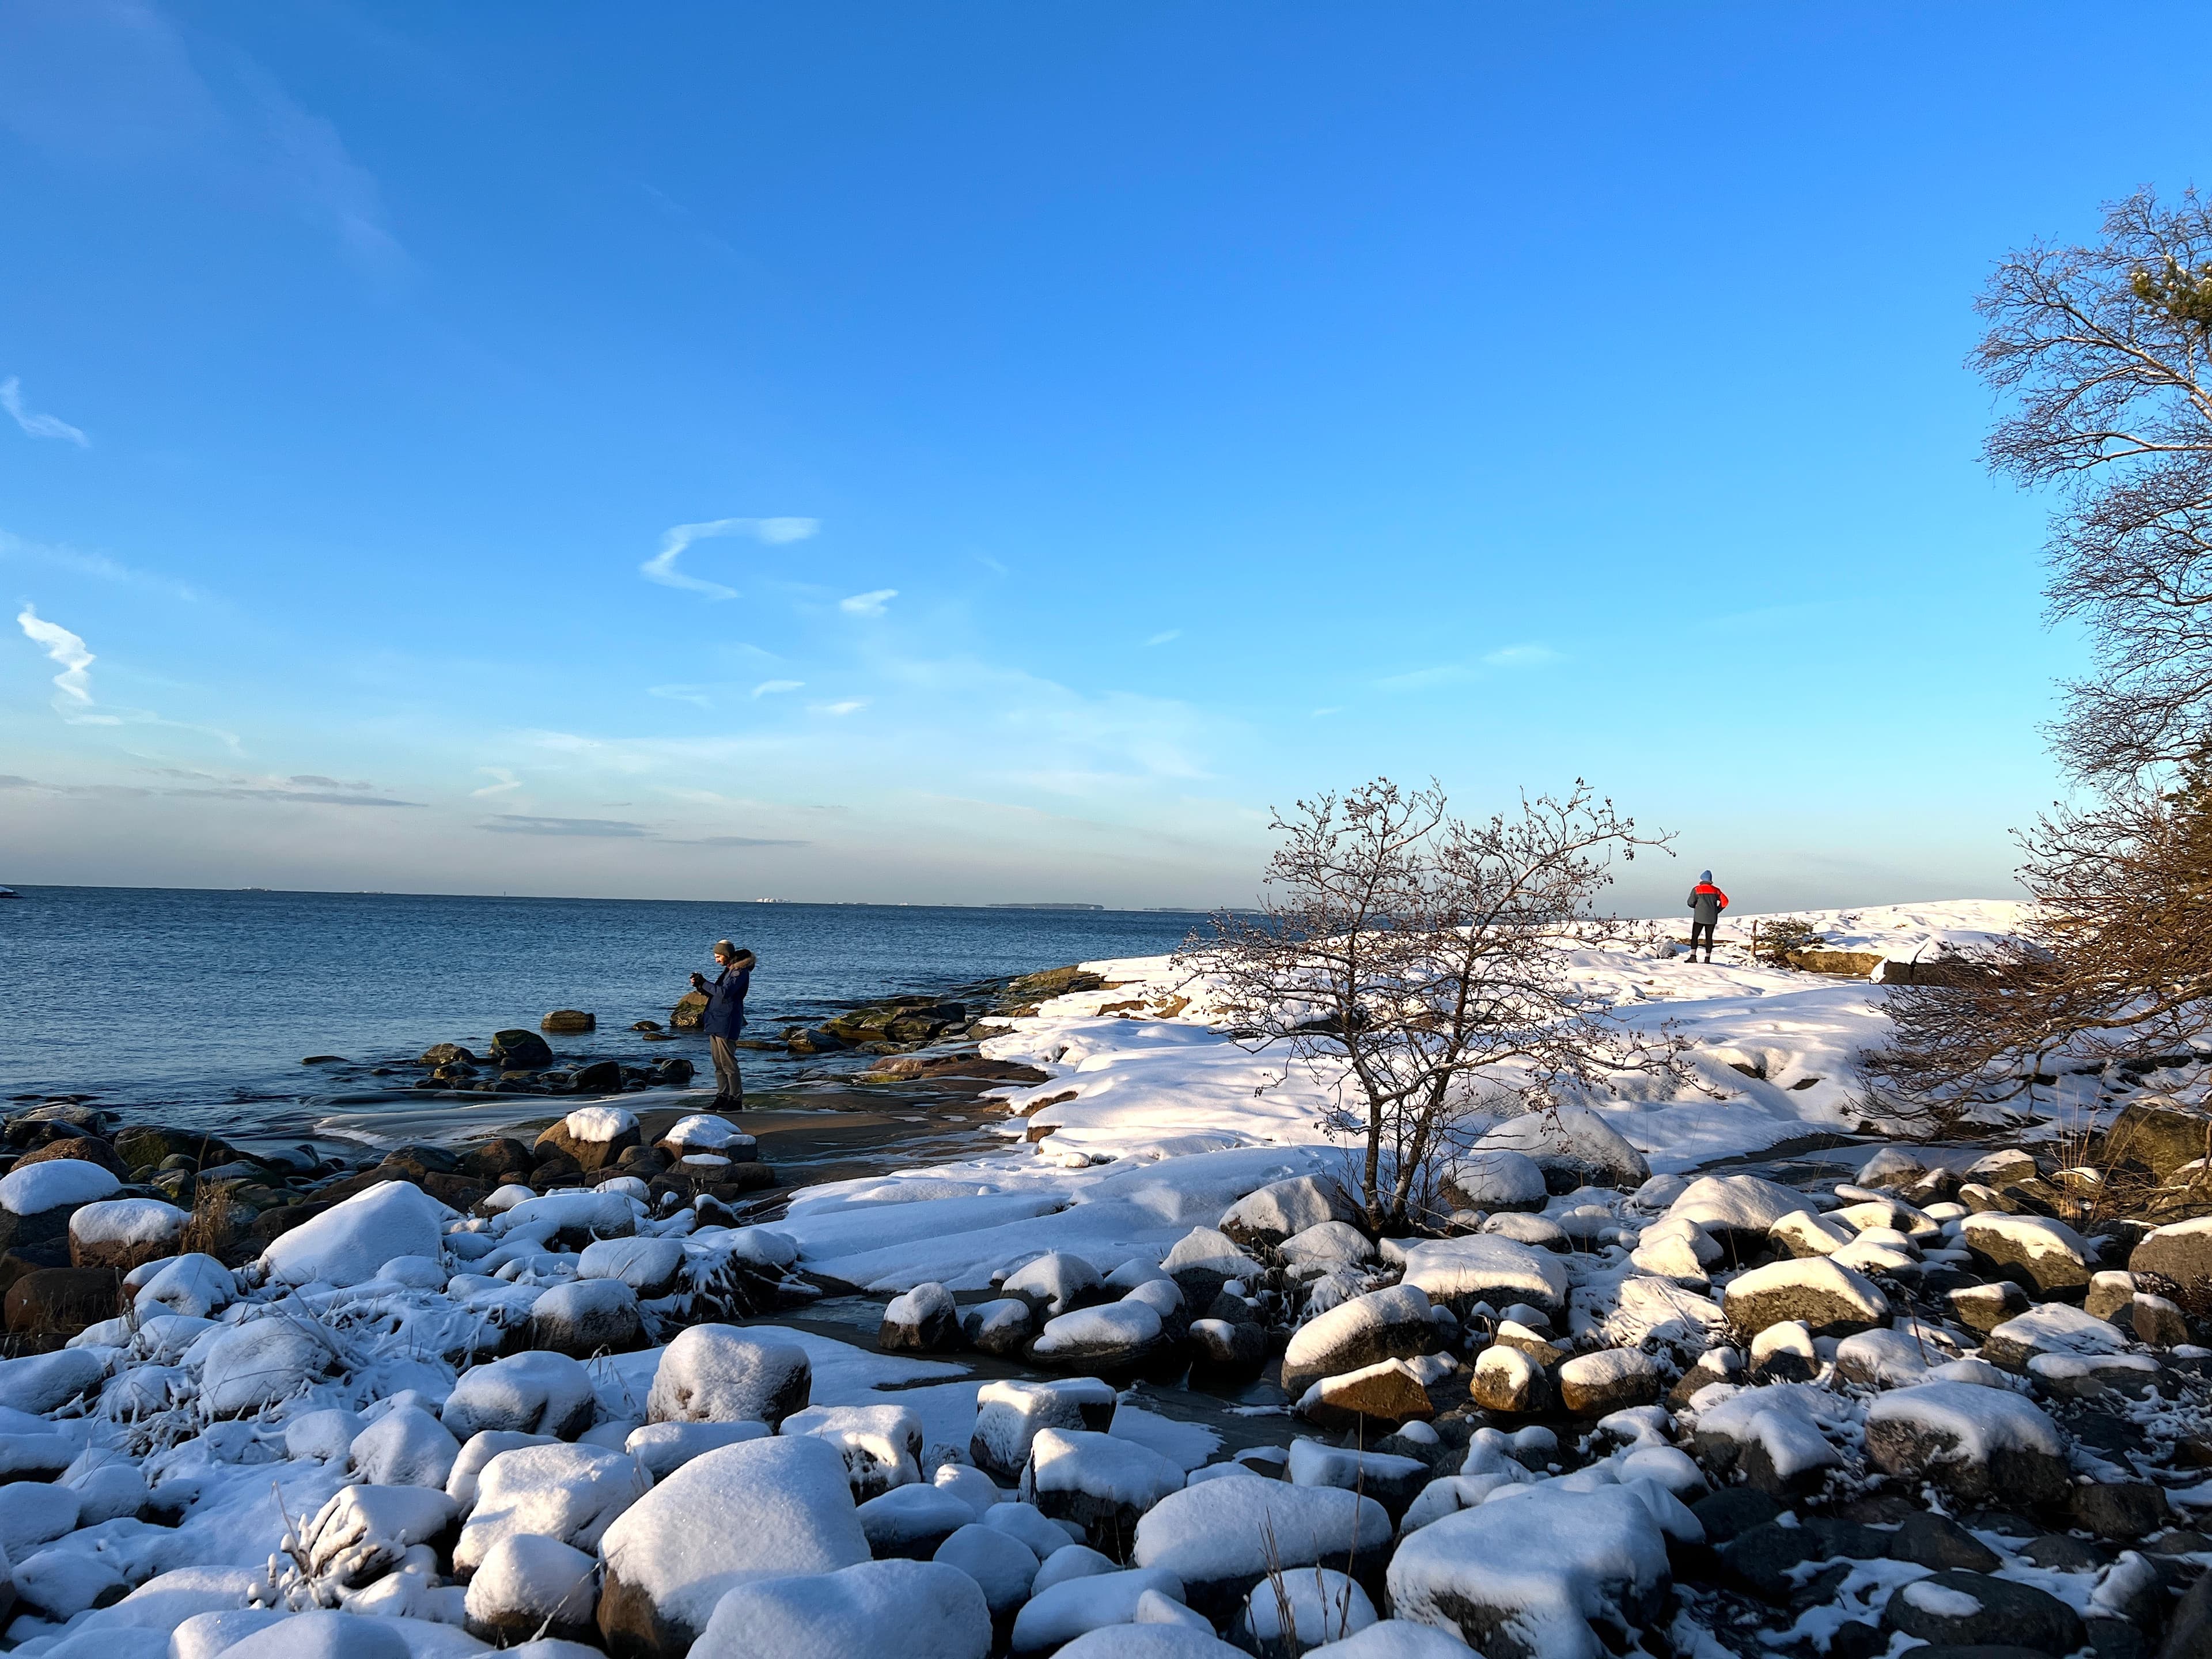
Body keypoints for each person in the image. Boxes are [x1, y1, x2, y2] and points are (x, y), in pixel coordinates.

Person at [690, 940, 756, 1111]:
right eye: (715, 957)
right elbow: (718, 994)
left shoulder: (739, 972)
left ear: (726, 955)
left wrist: (704, 983)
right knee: (719, 1064)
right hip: (716, 1021)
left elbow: (726, 993)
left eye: (718, 956)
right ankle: (722, 1096)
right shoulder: (730, 970)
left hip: (727, 1022)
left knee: (729, 1064)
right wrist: (700, 986)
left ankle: (735, 1099)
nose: (717, 960)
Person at [1685, 871, 1729, 963]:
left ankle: (1693, 956)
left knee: (1695, 936)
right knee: (1709, 937)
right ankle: (1707, 958)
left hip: (1699, 917)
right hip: (1712, 917)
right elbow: (1725, 902)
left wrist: (1696, 907)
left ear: (1701, 879)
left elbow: (1690, 903)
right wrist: (1717, 910)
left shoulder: (1697, 889)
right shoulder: (1716, 890)